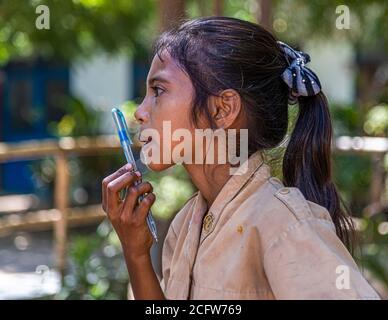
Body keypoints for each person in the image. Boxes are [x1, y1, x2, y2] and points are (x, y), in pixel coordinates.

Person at [101, 16, 380, 300]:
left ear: (222, 110)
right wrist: (136, 253)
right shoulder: (184, 226)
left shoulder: (283, 225)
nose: (140, 112)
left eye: (158, 91)